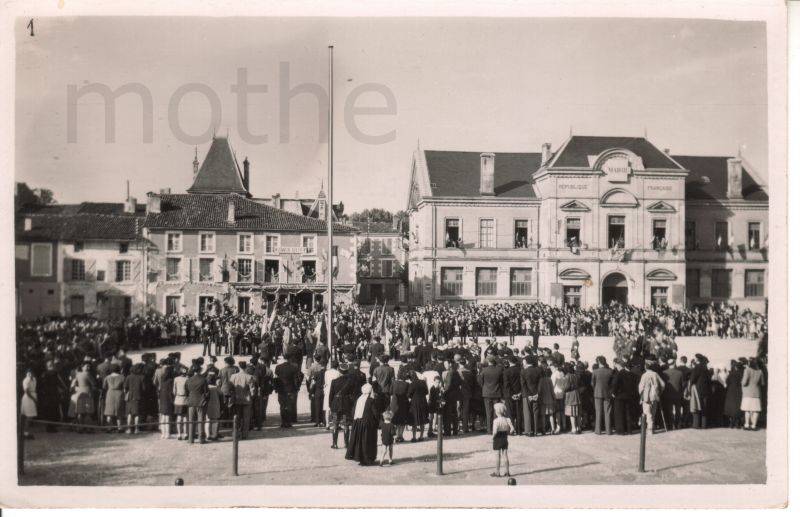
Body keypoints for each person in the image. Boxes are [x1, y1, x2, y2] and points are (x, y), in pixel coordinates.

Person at [346, 384, 379, 466]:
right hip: (367, 423)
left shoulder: (359, 399)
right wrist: (378, 420)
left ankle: (360, 458)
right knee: (367, 441)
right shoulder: (371, 400)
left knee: (359, 441)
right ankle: (368, 459)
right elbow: (375, 413)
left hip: (358, 422)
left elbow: (353, 411)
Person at [329, 362, 354, 449]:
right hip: (346, 404)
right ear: (347, 371)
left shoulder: (334, 381)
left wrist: (331, 405)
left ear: (339, 371)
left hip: (336, 404)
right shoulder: (350, 382)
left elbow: (331, 395)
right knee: (346, 424)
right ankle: (346, 444)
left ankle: (335, 443)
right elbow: (352, 394)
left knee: (335, 424)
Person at [478, 356, 504, 435]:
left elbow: (479, 381)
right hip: (496, 392)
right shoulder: (499, 370)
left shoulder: (484, 370)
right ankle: (496, 428)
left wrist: (484, 387)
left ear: (488, 362)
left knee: (488, 412)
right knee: (496, 412)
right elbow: (501, 382)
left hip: (487, 393)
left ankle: (489, 429)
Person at [638, 359, 665, 435]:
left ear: (645, 367)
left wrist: (641, 394)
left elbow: (640, 387)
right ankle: (651, 427)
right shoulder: (655, 374)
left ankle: (650, 428)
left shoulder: (644, 375)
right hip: (654, 396)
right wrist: (659, 392)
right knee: (653, 413)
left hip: (646, 397)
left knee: (647, 413)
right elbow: (663, 384)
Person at [275, 358, 303, 428]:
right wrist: (297, 387)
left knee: (282, 406)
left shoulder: (278, 367)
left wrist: (276, 388)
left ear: (283, 359)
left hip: (281, 390)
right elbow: (298, 377)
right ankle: (289, 422)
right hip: (291, 389)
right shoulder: (294, 367)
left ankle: (283, 422)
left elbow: (275, 378)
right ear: (289, 359)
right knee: (289, 406)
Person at [230, 362, 256, 439]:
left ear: (239, 367)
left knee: (237, 417)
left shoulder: (233, 376)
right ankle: (244, 434)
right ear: (246, 367)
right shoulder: (249, 377)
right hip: (246, 400)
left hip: (237, 399)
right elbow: (252, 389)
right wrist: (252, 396)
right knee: (246, 418)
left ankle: (236, 433)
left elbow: (231, 388)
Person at [185, 365, 209, 444]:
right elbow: (206, 392)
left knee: (191, 421)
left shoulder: (188, 380)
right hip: (200, 402)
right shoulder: (203, 380)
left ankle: (190, 439)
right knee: (200, 421)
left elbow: (186, 392)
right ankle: (201, 439)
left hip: (191, 402)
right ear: (200, 370)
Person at [491, 402, 515, 478]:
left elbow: (495, 431)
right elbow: (512, 429)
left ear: (497, 411)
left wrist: (493, 437)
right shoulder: (507, 419)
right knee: (505, 455)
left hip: (497, 437)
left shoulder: (496, 421)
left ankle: (497, 472)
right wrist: (509, 432)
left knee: (497, 455)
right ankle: (507, 472)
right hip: (505, 437)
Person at [591, 356, 613, 435]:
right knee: (607, 412)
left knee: (598, 412)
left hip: (597, 393)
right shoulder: (610, 371)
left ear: (599, 362)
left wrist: (596, 389)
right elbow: (611, 384)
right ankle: (608, 430)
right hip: (607, 393)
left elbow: (592, 383)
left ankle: (598, 430)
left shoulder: (595, 372)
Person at [741, 357, 764, 430]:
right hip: (756, 393)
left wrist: (741, 382)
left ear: (749, 363)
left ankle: (747, 425)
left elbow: (744, 382)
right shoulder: (760, 371)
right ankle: (754, 425)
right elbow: (763, 383)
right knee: (755, 410)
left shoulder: (747, 370)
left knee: (747, 410)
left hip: (747, 393)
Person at [70, 362, 95, 431]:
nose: (88, 368)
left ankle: (80, 427)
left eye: (89, 366)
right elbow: (93, 384)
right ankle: (88, 428)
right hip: (87, 392)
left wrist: (75, 389)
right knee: (88, 411)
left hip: (79, 393)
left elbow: (73, 384)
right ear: (82, 367)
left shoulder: (77, 374)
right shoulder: (88, 374)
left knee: (80, 410)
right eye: (87, 366)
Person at [103, 363, 126, 433]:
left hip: (110, 393)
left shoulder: (107, 377)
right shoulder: (122, 377)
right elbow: (125, 387)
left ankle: (109, 428)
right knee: (119, 411)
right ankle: (120, 428)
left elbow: (104, 387)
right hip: (119, 393)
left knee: (109, 411)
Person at [407, 370, 429, 442]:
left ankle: (414, 437)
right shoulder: (423, 382)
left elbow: (409, 394)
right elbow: (426, 392)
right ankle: (421, 436)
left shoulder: (412, 384)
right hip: (423, 401)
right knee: (422, 420)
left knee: (414, 420)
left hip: (415, 402)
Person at [124, 363, 145, 434]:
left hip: (130, 397)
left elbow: (125, 388)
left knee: (129, 414)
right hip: (138, 397)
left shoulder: (128, 377)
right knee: (137, 414)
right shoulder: (141, 377)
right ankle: (136, 429)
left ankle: (129, 429)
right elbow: (144, 388)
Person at [724, 359, 744, 428]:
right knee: (738, 406)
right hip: (739, 391)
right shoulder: (742, 374)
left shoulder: (731, 373)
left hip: (731, 391)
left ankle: (731, 423)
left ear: (736, 367)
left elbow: (727, 381)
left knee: (731, 407)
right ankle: (738, 423)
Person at [204, 371, 223, 441]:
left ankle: (208, 434)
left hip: (207, 405)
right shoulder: (216, 388)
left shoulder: (206, 387)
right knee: (215, 420)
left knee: (208, 420)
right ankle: (214, 435)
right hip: (215, 405)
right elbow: (221, 395)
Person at [157, 365, 175, 439]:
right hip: (168, 400)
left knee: (163, 417)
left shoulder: (162, 380)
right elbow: (171, 392)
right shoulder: (170, 381)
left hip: (162, 400)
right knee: (167, 418)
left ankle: (163, 433)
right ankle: (167, 433)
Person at [20, 369, 37, 439]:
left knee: (30, 416)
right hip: (28, 398)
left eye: (31, 372)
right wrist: (33, 398)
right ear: (27, 373)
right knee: (28, 416)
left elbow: (33, 388)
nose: (30, 374)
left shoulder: (34, 379)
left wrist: (35, 398)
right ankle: (25, 433)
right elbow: (27, 391)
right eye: (29, 373)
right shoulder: (26, 380)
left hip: (33, 396)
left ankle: (25, 432)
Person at [172, 366, 189, 439]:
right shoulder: (187, 379)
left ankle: (179, 434)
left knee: (179, 417)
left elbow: (174, 391)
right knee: (185, 417)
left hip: (178, 399)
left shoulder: (176, 379)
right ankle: (185, 434)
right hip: (185, 399)